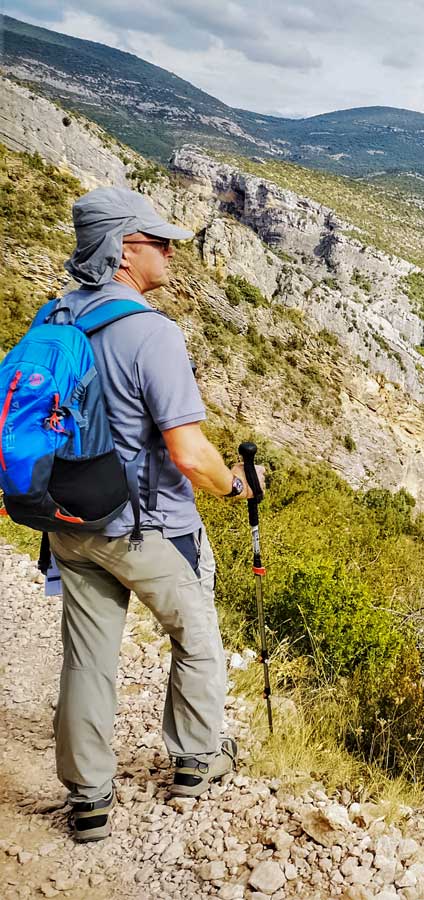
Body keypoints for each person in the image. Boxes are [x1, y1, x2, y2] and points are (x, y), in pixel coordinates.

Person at [48, 186, 261, 843]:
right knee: (198, 638)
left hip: (68, 521)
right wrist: (237, 487)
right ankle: (196, 762)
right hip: (148, 529)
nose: (170, 249)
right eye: (155, 240)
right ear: (120, 251)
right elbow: (189, 452)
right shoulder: (151, 334)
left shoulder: (54, 318)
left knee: (88, 657)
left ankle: (87, 800)